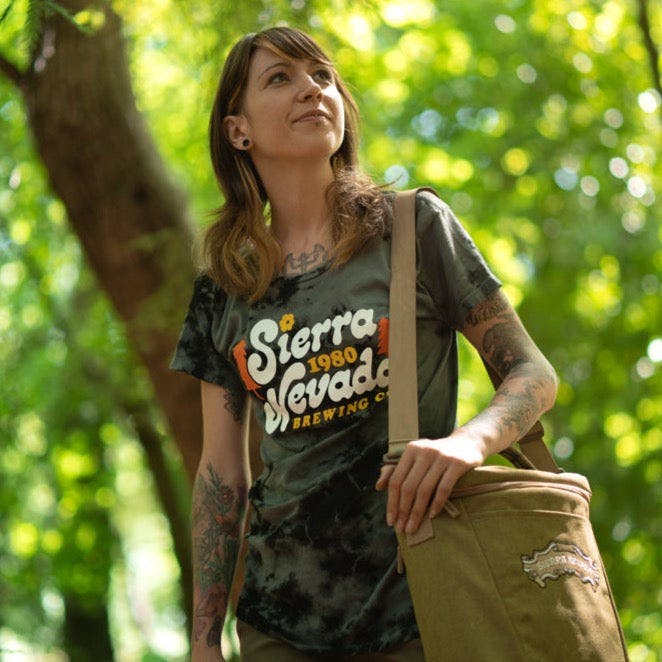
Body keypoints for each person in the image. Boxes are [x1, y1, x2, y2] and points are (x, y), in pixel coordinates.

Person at [171, 26, 558, 662]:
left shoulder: (411, 229)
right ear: (238, 130)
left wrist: (468, 443)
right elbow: (221, 475)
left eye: (322, 76)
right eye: (281, 78)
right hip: (278, 620)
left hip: (422, 599)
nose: (312, 90)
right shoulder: (225, 289)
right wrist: (203, 641)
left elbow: (531, 374)